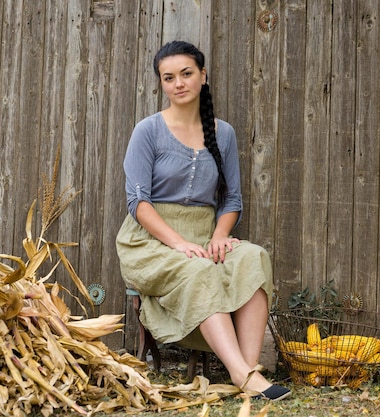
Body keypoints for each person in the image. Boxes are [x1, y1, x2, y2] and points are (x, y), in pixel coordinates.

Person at [116, 40, 291, 401]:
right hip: (149, 242)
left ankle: (249, 370)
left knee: (252, 257)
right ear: (161, 84)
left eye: (186, 74)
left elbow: (232, 199)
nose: (178, 83)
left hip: (204, 234)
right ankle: (242, 375)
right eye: (169, 78)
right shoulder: (147, 131)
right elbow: (139, 202)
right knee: (198, 270)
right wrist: (179, 243)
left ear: (202, 76)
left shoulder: (222, 133)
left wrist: (220, 235)